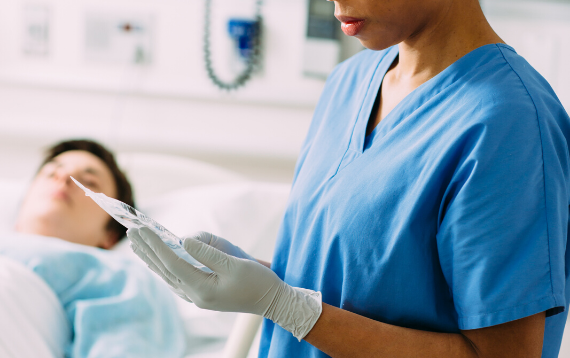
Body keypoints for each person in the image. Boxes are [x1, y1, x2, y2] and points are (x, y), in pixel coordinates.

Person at [128, 1, 570, 357]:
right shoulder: (350, 80)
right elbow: (366, 280)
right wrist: (256, 281)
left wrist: (288, 308)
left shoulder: (509, 124)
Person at [0, 139, 186, 358]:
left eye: (89, 182)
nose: (64, 179)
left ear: (110, 235)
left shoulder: (120, 277)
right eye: (51, 174)